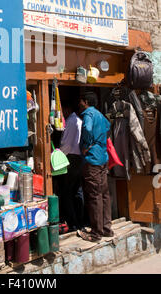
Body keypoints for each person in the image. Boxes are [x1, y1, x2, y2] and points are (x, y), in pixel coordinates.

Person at [77, 91, 114, 242]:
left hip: (92, 159)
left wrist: (86, 145)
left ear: (85, 102)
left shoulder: (89, 114)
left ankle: (96, 233)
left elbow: (87, 128)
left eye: (81, 101)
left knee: (94, 195)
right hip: (102, 159)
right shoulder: (100, 115)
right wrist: (100, 143)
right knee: (103, 194)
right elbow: (108, 129)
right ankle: (106, 229)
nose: (79, 104)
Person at [58, 102, 84, 232]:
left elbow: (66, 145)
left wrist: (56, 154)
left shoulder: (71, 121)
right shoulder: (78, 120)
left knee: (67, 192)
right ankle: (80, 220)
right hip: (79, 159)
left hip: (71, 159)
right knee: (77, 191)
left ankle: (72, 222)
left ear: (67, 109)